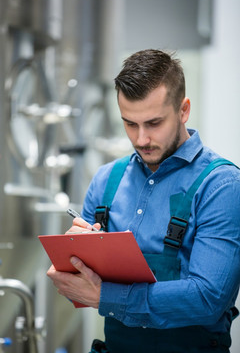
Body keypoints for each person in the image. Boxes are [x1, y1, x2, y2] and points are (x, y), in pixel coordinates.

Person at [47, 49, 240, 353]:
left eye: (154, 123)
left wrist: (105, 296)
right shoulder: (106, 180)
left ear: (184, 109)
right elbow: (80, 293)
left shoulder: (221, 185)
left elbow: (208, 299)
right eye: (130, 124)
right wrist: (72, 263)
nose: (141, 140)